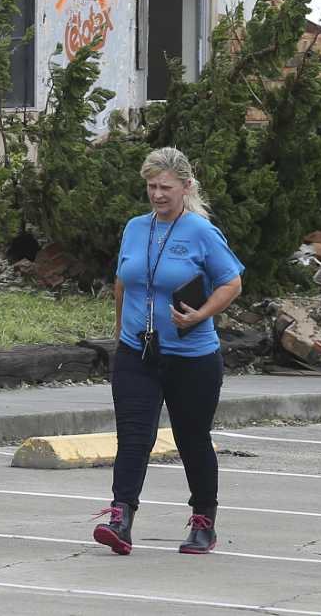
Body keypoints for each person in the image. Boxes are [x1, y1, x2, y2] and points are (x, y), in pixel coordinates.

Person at [92, 147, 244, 557]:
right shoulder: (135, 227)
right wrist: (122, 332)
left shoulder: (200, 231)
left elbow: (232, 283)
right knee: (133, 437)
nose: (157, 194)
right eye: (151, 186)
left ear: (185, 187)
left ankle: (203, 521)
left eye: (165, 187)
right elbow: (123, 282)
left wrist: (200, 315)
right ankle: (120, 516)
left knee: (192, 438)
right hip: (137, 353)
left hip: (191, 356)